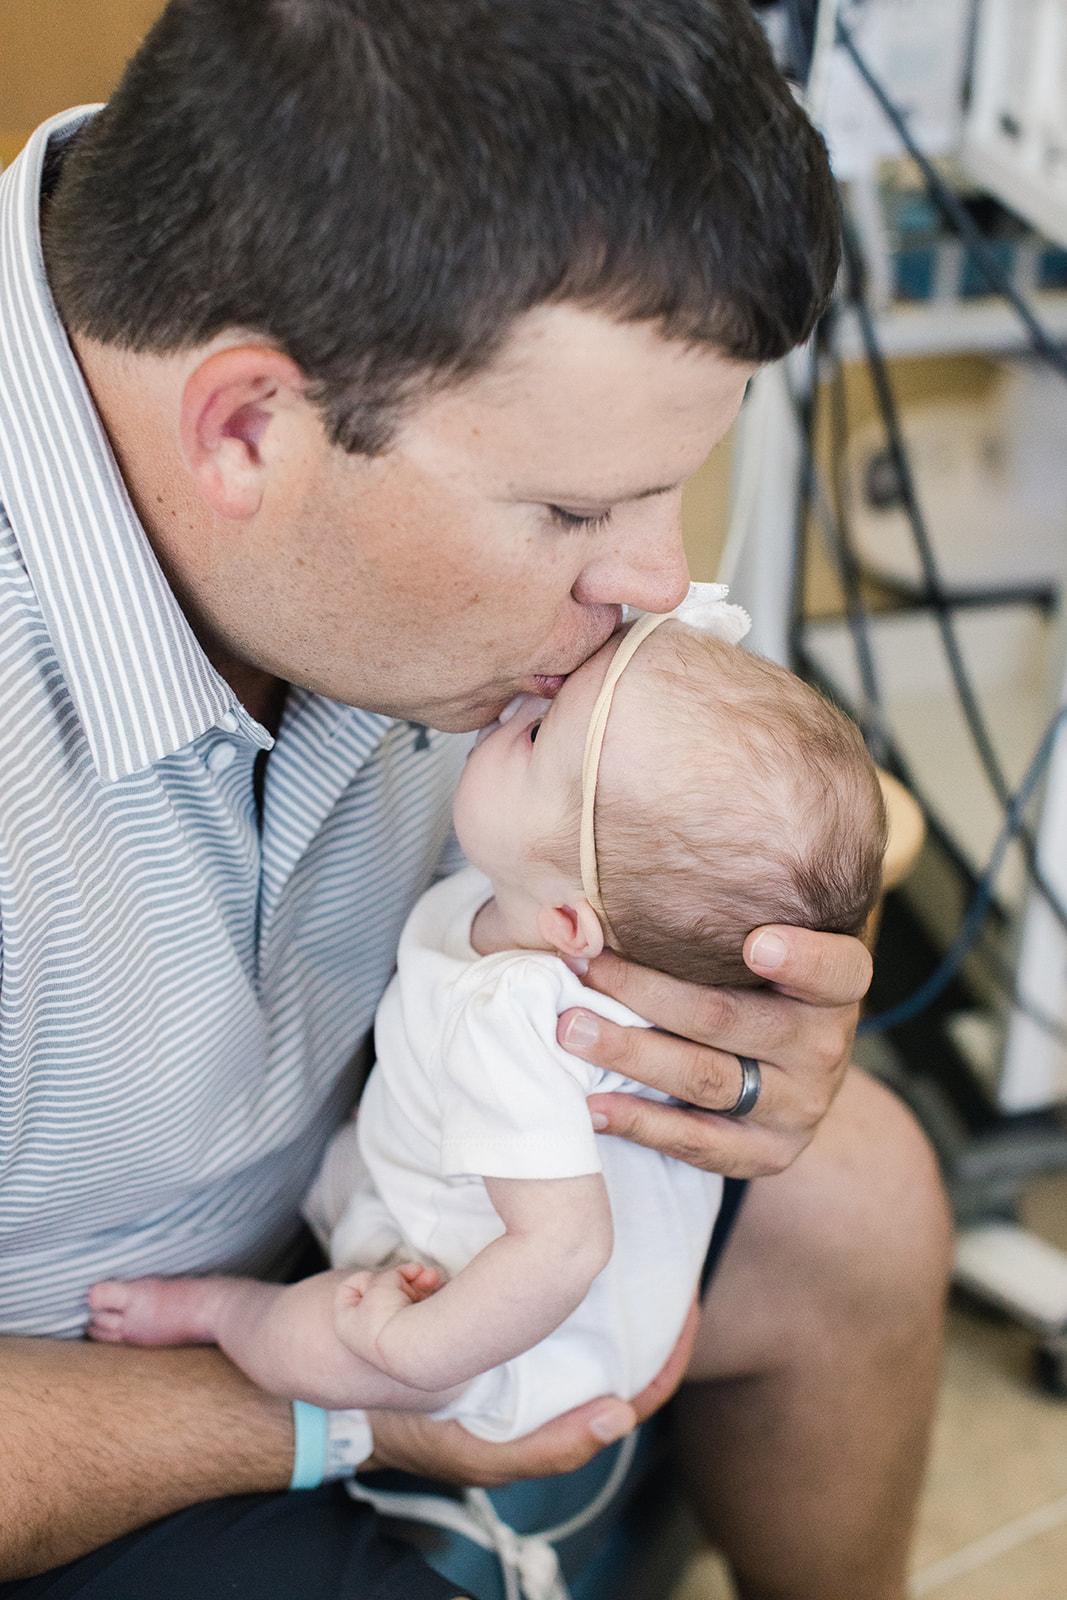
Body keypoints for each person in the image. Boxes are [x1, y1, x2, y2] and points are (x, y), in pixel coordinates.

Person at [0, 3, 952, 1598]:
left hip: (357, 1208)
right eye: (571, 510)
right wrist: (331, 1416)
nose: (653, 579)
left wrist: (720, 1034)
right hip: (68, 1384)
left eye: (667, 485)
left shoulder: (406, 391)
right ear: (245, 425)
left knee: (854, 1196)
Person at [87, 592, 888, 1450]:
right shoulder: (545, 898)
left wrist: (417, 1352)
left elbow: (565, 1248)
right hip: (524, 1252)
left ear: (571, 926)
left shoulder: (515, 1012)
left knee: (325, 1349)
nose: (516, 708)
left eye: (540, 734)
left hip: (510, 1339)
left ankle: (224, 1310)